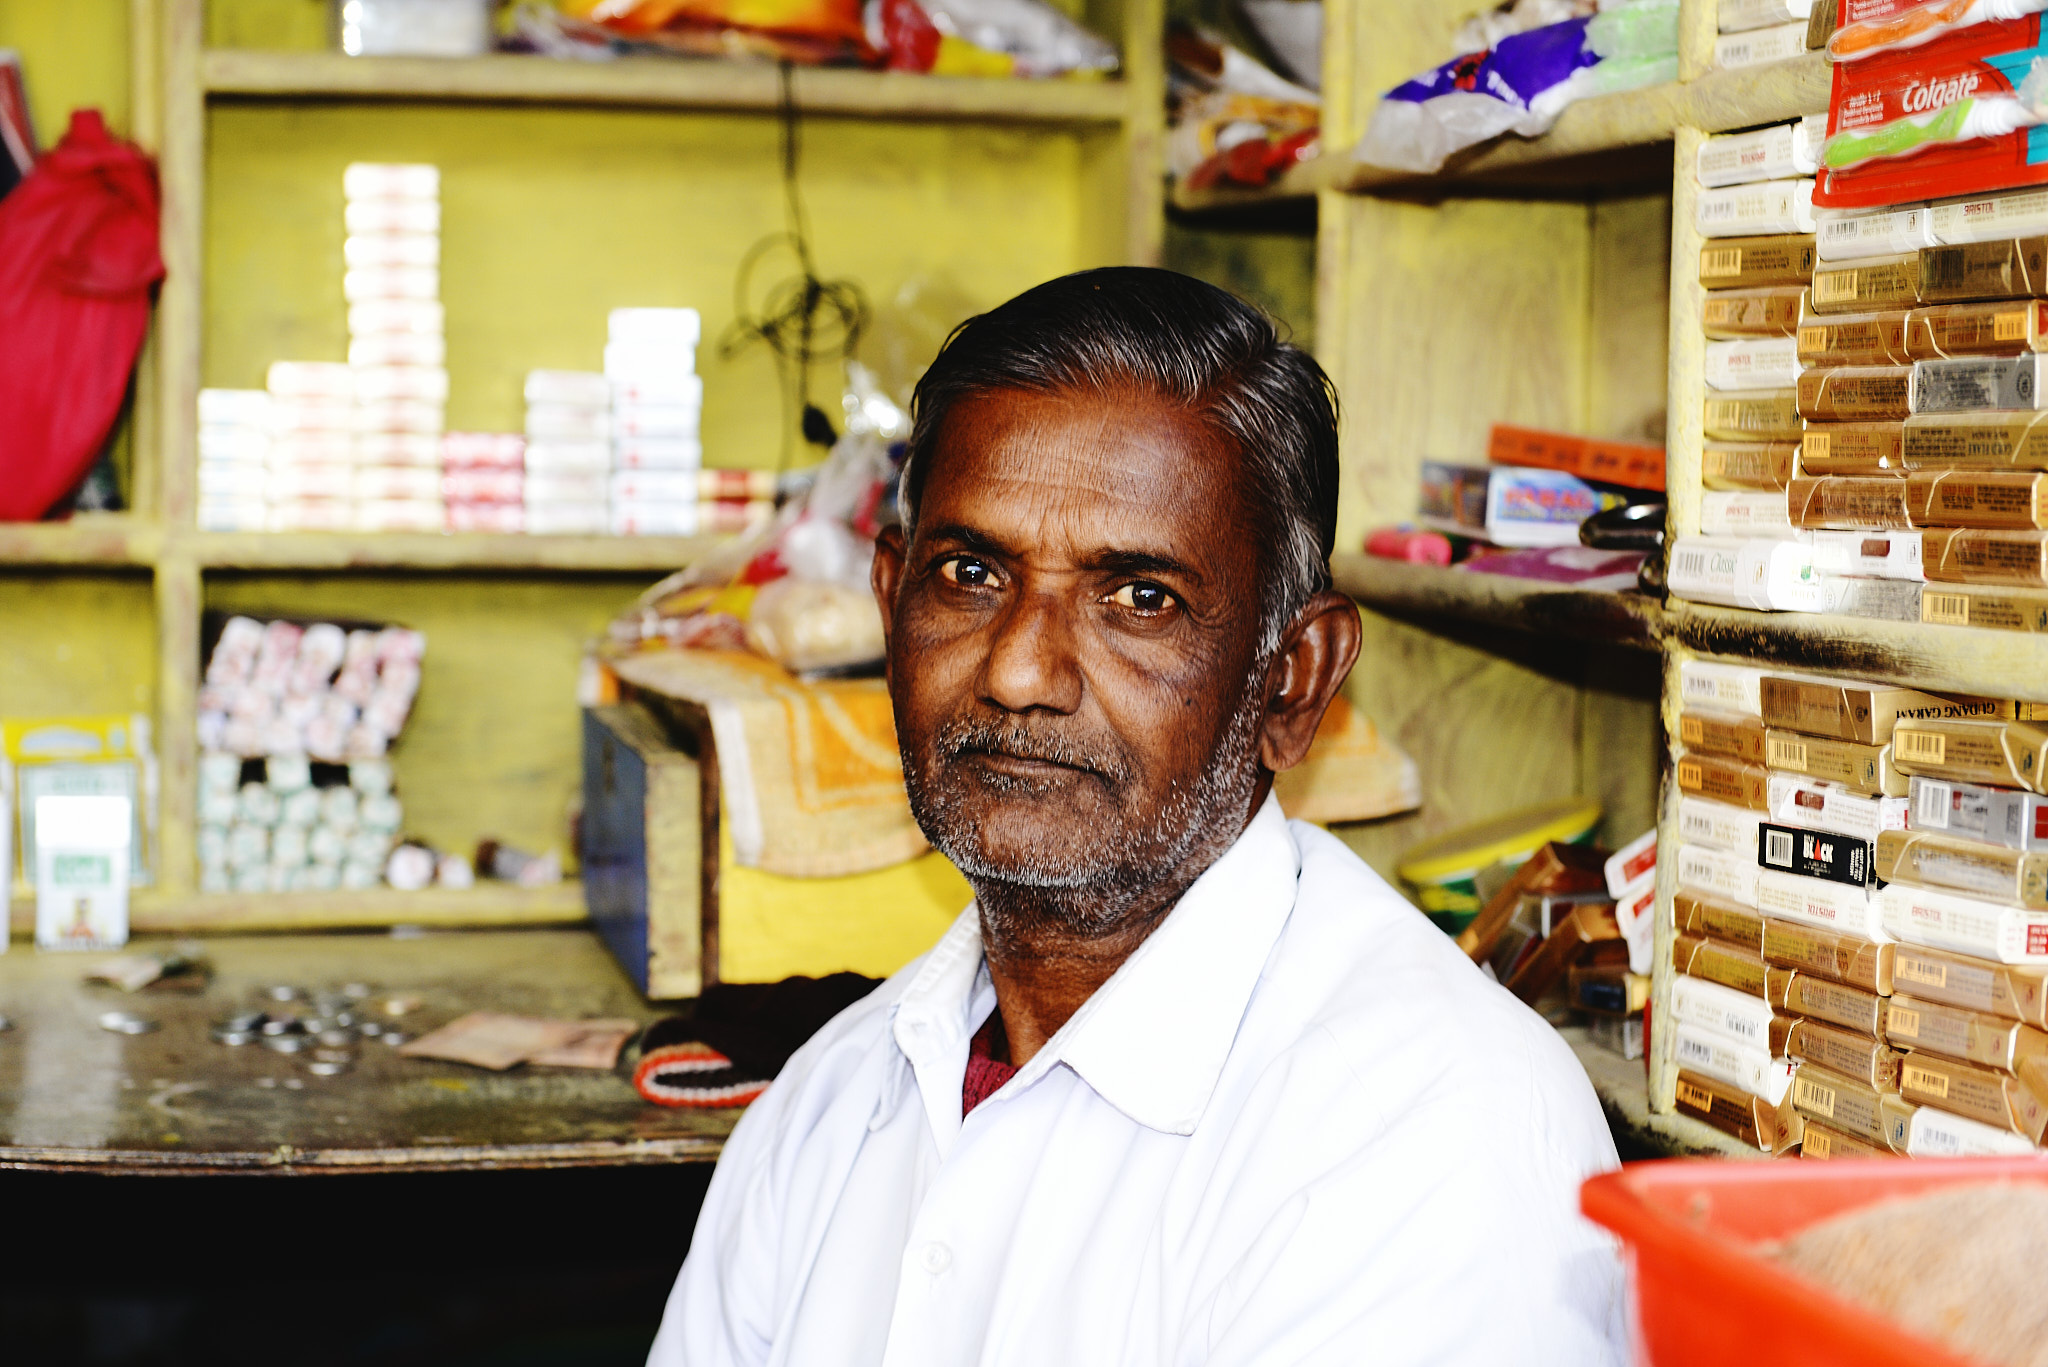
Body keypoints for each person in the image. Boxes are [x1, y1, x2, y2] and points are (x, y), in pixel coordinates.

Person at [647, 267, 1626, 1367]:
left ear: (1290, 678)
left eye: (1139, 599)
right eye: (970, 572)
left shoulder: (1426, 1130)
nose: (1018, 670)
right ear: (890, 604)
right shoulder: (835, 1097)